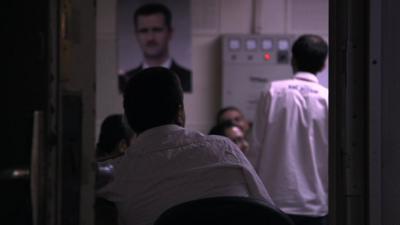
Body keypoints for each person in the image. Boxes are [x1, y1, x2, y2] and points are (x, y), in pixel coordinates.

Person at [98, 67, 274, 225]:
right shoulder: (225, 149)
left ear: (128, 121)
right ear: (180, 112)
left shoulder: (119, 173)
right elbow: (270, 211)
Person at [248, 34, 329, 225]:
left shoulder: (272, 91)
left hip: (272, 202)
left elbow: (256, 145)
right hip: (314, 205)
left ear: (293, 59)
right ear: (323, 65)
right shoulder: (328, 98)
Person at [118, 3, 192, 93]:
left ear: (170, 32)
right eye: (143, 31)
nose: (150, 38)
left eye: (157, 30)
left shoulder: (188, 78)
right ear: (136, 35)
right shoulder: (125, 81)